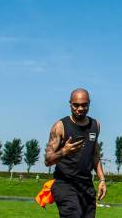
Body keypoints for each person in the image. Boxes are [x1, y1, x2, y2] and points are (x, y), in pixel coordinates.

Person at [45, 88, 106, 218]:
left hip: (86, 186)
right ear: (70, 104)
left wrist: (102, 179)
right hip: (65, 184)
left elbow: (95, 155)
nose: (80, 108)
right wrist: (64, 151)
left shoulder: (96, 125)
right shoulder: (60, 126)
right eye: (76, 105)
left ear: (89, 104)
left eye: (84, 105)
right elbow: (48, 160)